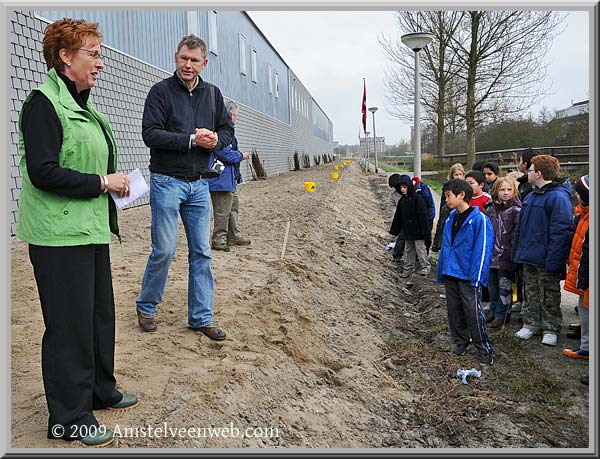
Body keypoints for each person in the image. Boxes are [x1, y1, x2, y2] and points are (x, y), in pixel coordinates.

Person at [15, 18, 138, 447]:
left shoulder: (82, 105)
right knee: (68, 327)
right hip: (56, 236)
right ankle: (68, 419)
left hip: (87, 228)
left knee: (99, 316)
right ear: (65, 57)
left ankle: (101, 390)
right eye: (94, 54)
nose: (101, 63)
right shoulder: (43, 104)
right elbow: (43, 172)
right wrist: (103, 183)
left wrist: (112, 182)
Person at [136, 34, 234, 339]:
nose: (188, 65)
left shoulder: (213, 94)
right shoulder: (160, 93)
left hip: (200, 184)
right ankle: (147, 306)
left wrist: (217, 140)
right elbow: (150, 134)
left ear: (204, 63)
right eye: (183, 59)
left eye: (194, 60)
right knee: (164, 249)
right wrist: (191, 139)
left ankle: (201, 317)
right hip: (166, 181)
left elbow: (227, 130)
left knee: (202, 252)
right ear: (175, 58)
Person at [512, 155, 573, 346]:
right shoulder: (530, 195)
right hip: (529, 255)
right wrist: (517, 250)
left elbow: (561, 232)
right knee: (530, 291)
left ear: (538, 174)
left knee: (549, 293)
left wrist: (554, 259)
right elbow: (521, 228)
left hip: (546, 257)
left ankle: (551, 327)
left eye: (530, 170)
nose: (527, 172)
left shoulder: (558, 197)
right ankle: (530, 323)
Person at [436, 179, 494, 365]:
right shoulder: (451, 218)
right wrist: (442, 270)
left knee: (472, 311)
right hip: (451, 271)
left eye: (449, 195)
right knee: (454, 310)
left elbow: (483, 250)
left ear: (462, 195)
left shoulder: (480, 220)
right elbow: (446, 246)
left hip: (468, 274)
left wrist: (477, 277)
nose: (446, 199)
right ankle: (461, 341)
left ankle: (483, 347)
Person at [208, 100, 251, 251]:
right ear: (231, 115)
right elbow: (224, 153)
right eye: (235, 115)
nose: (236, 118)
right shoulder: (222, 132)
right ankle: (219, 240)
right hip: (221, 178)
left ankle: (233, 235)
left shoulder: (225, 131)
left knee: (232, 207)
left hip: (228, 178)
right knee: (222, 210)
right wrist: (241, 155)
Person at [483, 177, 521, 328]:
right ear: (496, 191)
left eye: (509, 190)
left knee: (505, 286)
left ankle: (502, 313)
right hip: (491, 253)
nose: (506, 193)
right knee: (492, 286)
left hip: (507, 254)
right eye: (502, 190)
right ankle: (493, 310)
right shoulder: (490, 208)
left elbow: (517, 234)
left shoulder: (517, 210)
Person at [562, 175, 590, 360]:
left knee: (588, 311)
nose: (576, 196)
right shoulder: (582, 214)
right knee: (583, 309)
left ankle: (588, 348)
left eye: (578, 193)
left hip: (587, 275)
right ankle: (586, 346)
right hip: (583, 273)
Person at [389, 174, 431, 277]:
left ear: (409, 186)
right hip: (408, 231)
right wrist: (395, 230)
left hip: (418, 232)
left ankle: (425, 267)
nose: (403, 190)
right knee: (408, 250)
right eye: (401, 187)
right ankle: (407, 268)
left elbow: (423, 216)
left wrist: (425, 232)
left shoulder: (417, 199)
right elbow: (398, 217)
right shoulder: (402, 201)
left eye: (405, 187)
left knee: (420, 249)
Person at [432, 163, 465, 252]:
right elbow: (443, 205)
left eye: (460, 174)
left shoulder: (466, 187)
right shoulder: (447, 188)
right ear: (452, 175)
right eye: (456, 175)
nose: (458, 177)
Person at [413, 176, 436, 252]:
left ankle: (426, 251)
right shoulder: (419, 187)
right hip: (424, 215)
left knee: (427, 233)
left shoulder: (422, 187)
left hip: (428, 215)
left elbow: (426, 199)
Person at [388, 173, 405, 262]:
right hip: (401, 218)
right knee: (401, 237)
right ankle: (397, 256)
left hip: (413, 218)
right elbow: (391, 207)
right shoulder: (393, 193)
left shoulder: (409, 189)